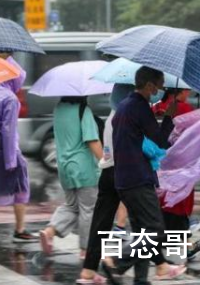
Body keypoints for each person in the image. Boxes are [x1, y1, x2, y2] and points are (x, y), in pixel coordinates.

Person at [103, 67, 185, 285]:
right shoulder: (139, 107)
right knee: (156, 231)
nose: (160, 90)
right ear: (149, 85)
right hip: (137, 178)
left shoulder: (124, 106)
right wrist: (168, 117)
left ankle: (141, 279)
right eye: (159, 86)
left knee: (142, 233)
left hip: (123, 178)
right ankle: (115, 261)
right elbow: (159, 141)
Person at [77, 84, 134, 284]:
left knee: (100, 223)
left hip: (108, 173)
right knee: (150, 224)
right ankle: (115, 260)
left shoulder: (112, 116)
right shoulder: (127, 117)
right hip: (126, 173)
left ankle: (88, 271)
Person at [0, 56, 37, 243]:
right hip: (3, 151)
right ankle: (20, 229)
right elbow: (9, 131)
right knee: (21, 187)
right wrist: (12, 160)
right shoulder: (10, 98)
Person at [39, 96, 103, 260]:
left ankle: (50, 231)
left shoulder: (59, 109)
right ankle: (86, 249)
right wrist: (105, 161)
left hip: (64, 167)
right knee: (88, 209)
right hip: (84, 168)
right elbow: (92, 140)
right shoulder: (83, 111)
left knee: (72, 206)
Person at [152, 88, 200, 261]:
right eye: (187, 90)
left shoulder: (161, 106)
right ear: (180, 91)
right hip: (181, 165)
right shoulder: (183, 108)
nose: (189, 93)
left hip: (163, 163)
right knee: (178, 205)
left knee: (167, 205)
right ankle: (185, 245)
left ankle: (182, 244)